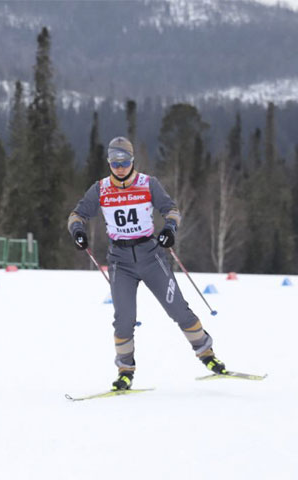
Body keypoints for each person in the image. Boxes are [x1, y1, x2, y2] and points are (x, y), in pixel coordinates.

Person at [67, 136, 228, 391]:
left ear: (132, 161)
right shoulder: (100, 188)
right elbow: (76, 215)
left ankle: (208, 355)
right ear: (109, 162)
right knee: (124, 319)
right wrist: (77, 231)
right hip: (120, 261)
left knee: (178, 310)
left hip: (151, 256)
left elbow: (171, 210)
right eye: (114, 162)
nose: (119, 167)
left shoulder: (148, 183)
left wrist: (170, 229)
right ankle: (125, 371)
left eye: (125, 161)